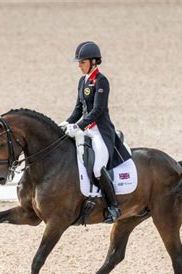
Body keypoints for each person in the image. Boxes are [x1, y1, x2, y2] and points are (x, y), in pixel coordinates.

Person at [60, 41, 122, 223]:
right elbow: (78, 109)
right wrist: (65, 123)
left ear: (93, 62)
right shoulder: (82, 81)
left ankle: (114, 207)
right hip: (85, 130)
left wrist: (78, 126)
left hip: (100, 132)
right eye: (79, 63)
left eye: (82, 62)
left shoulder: (101, 81)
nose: (79, 66)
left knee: (97, 168)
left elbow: (97, 111)